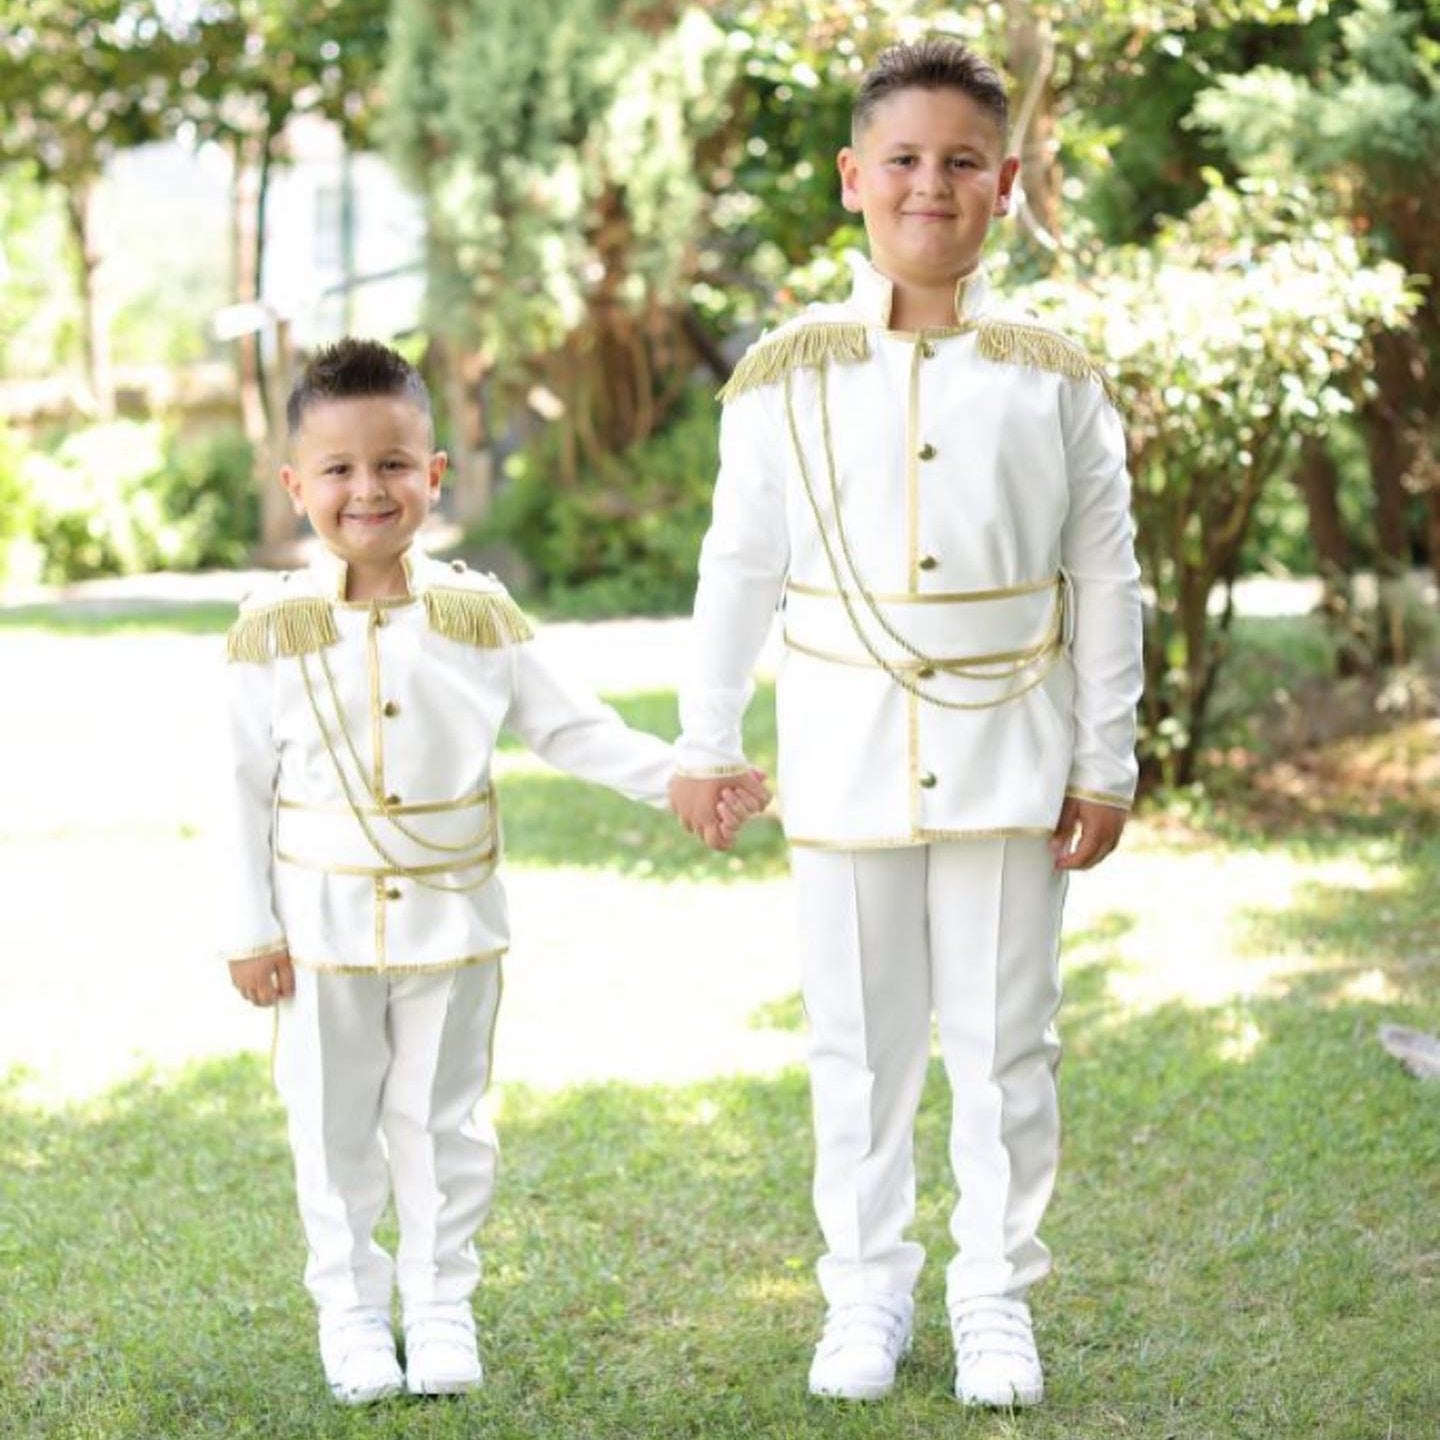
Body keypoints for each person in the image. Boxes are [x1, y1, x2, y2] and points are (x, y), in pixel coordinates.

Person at [669, 36, 1143, 1410]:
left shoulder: (1057, 376)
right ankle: (865, 1291)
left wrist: (1107, 759)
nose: (927, 186)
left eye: (958, 163)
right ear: (851, 178)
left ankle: (995, 1294)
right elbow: (737, 567)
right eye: (901, 161)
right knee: (859, 1044)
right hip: (845, 753)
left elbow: (1104, 579)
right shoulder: (786, 376)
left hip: (1012, 756)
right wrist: (708, 740)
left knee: (1007, 1042)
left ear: (1004, 182)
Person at [217, 338, 766, 1405]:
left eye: (391, 465)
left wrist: (684, 778)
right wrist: (250, 929)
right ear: (296, 487)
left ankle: (439, 1304)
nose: (365, 490)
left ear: (435, 474)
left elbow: (576, 731)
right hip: (319, 931)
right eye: (336, 470)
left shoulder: (478, 617)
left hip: (453, 923)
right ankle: (354, 1315)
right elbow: (236, 787)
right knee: (331, 1128)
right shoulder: (268, 633)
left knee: (444, 1122)